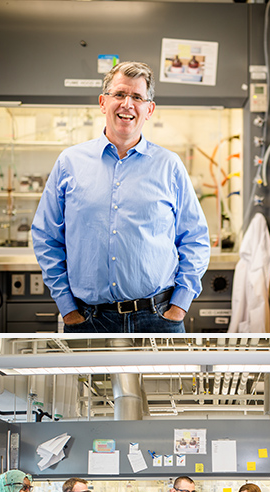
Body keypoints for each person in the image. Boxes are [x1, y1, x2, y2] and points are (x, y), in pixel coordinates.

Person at [32, 60, 210, 334]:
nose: (128, 104)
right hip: (88, 319)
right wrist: (67, 307)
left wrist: (179, 307)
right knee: (83, 380)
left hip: (158, 318)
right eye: (119, 94)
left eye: (137, 97)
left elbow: (195, 239)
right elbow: (46, 236)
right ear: (103, 102)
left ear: (149, 109)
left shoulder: (169, 165)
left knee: (166, 380)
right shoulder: (70, 162)